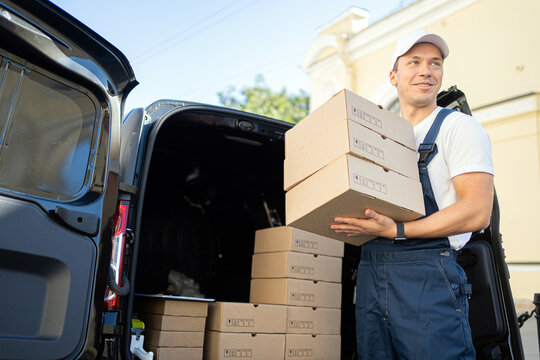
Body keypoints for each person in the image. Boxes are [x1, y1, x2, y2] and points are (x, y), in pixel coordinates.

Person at [331, 29, 494, 359]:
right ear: (394, 76)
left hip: (428, 276)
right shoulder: (379, 137)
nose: (426, 71)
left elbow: (477, 211)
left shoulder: (457, 128)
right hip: (372, 271)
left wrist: (397, 230)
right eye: (414, 62)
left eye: (435, 63)